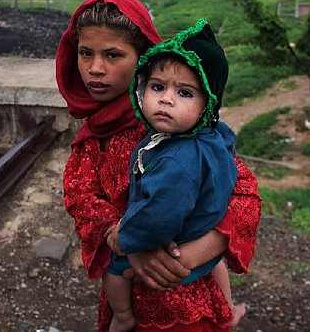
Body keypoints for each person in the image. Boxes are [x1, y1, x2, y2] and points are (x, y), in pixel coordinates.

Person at [56, 0, 261, 331]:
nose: (95, 68)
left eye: (113, 55)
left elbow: (243, 194)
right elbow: (81, 196)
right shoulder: (97, 128)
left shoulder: (176, 126)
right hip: (130, 291)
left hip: (186, 297)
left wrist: (193, 254)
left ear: (142, 57)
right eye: (85, 53)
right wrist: (131, 245)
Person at [102, 18, 246, 332]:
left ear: (208, 102)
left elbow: (157, 218)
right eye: (157, 87)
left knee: (113, 272)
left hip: (175, 248)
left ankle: (123, 317)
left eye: (184, 93)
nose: (166, 99)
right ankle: (228, 310)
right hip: (205, 238)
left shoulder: (177, 161)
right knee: (218, 266)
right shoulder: (215, 134)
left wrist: (124, 237)